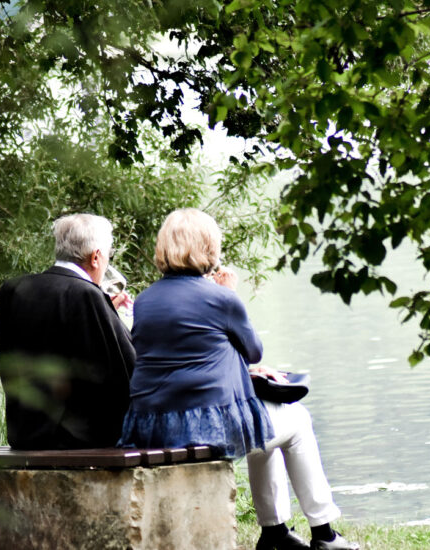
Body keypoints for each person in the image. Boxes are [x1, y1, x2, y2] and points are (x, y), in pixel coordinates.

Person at [119, 208, 359, 550]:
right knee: (298, 421)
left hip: (154, 424)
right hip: (203, 427)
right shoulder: (220, 298)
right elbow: (253, 350)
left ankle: (275, 533)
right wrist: (231, 293)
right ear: (208, 248)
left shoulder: (144, 301)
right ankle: (324, 533)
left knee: (265, 425)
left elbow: (185, 352)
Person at [0, 213, 135, 450]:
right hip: (78, 439)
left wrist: (106, 308)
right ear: (97, 257)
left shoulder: (13, 289)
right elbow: (124, 370)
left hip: (24, 433)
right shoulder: (87, 295)